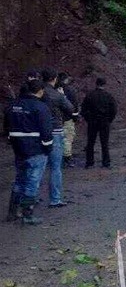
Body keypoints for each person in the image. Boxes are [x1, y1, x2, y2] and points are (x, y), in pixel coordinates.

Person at [4, 80, 53, 225]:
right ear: (40, 91)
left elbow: (6, 128)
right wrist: (48, 147)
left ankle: (12, 212)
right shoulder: (41, 107)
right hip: (36, 150)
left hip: (18, 149)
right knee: (32, 182)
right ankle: (27, 214)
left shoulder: (12, 106)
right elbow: (46, 131)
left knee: (19, 180)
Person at [41, 68, 75, 208]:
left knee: (38, 167)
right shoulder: (56, 94)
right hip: (55, 130)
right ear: (54, 79)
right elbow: (70, 108)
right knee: (56, 167)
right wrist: (63, 96)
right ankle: (55, 198)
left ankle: (32, 198)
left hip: (39, 132)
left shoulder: (37, 91)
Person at [81, 77, 117, 168]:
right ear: (104, 85)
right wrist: (109, 120)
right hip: (104, 122)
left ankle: (89, 162)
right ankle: (106, 162)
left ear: (96, 84)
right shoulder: (108, 96)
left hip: (92, 122)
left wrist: (88, 119)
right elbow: (114, 110)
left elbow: (84, 109)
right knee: (104, 143)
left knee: (90, 142)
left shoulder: (89, 95)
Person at [57, 72, 81, 167]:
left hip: (56, 119)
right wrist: (75, 117)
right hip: (67, 118)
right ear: (66, 79)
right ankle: (67, 158)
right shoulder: (70, 90)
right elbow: (74, 105)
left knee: (57, 139)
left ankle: (57, 157)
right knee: (67, 138)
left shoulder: (52, 90)